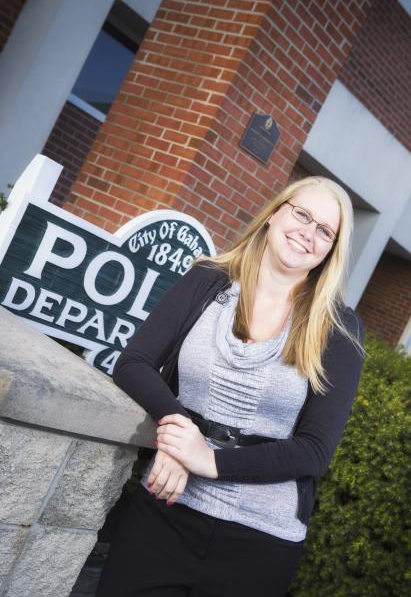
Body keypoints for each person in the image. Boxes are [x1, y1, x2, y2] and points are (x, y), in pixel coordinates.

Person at [95, 175, 366, 597]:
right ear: (275, 213)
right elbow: (134, 363)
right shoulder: (208, 281)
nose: (308, 234)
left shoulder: (337, 328)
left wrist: (210, 461)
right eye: (302, 215)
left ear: (331, 249)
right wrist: (181, 435)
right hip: (166, 508)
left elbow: (314, 451)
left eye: (324, 231)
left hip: (259, 543)